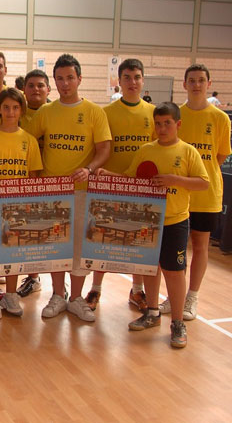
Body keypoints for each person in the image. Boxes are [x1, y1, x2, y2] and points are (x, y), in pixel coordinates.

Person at [97, 102, 209, 348]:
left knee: (174, 271)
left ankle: (178, 322)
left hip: (176, 222)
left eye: (167, 123)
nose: (162, 128)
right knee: (150, 268)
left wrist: (174, 179)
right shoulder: (146, 150)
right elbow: (131, 178)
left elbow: (203, 183)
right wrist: (109, 176)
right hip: (148, 220)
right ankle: (152, 312)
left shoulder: (188, 152)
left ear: (178, 124)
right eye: (158, 123)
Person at [30, 54, 111, 322]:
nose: (66, 83)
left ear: (79, 79)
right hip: (53, 191)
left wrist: (88, 168)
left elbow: (103, 149)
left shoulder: (94, 112)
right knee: (55, 246)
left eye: (70, 78)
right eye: (60, 79)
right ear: (55, 82)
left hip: (83, 191)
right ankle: (57, 295)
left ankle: (76, 298)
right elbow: (26, 139)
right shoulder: (46, 112)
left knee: (78, 247)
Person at [159, 65, 231, 320]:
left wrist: (197, 176)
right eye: (192, 80)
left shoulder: (221, 119)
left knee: (200, 246)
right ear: (184, 84)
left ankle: (192, 297)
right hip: (176, 196)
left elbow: (219, 156)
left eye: (201, 80)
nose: (196, 85)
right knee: (175, 248)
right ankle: (173, 296)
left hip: (205, 194)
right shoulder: (177, 114)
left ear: (208, 83)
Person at [84, 59, 155, 312]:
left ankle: (137, 292)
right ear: (119, 81)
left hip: (142, 191)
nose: (132, 82)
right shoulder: (107, 112)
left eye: (136, 77)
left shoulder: (153, 113)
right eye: (126, 77)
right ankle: (96, 290)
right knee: (104, 241)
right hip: (110, 187)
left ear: (143, 80)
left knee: (139, 243)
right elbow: (101, 148)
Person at [0, 88, 42, 319]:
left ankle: (11, 295)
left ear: (22, 110)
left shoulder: (29, 141)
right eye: (6, 107)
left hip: (18, 207)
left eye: (15, 107)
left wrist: (27, 202)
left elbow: (33, 176)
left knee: (14, 252)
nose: (11, 112)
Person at [18, 69, 52, 297]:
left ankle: (59, 285)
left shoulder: (55, 112)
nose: (36, 89)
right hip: (21, 183)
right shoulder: (16, 112)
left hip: (49, 182)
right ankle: (33, 277)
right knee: (27, 234)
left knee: (48, 235)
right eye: (31, 85)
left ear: (48, 89)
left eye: (41, 85)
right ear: (24, 90)